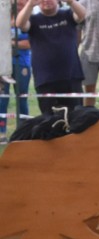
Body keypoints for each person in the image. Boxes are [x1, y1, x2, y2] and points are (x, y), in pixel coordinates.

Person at [16, 0, 86, 115]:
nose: (46, 1)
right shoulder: (33, 20)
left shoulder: (68, 15)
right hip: (45, 80)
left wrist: (71, 2)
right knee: (49, 120)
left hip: (71, 77)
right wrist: (29, 4)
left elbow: (83, 15)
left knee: (76, 117)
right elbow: (20, 24)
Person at [0, 0, 32, 143]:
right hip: (4, 66)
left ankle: (23, 131)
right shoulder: (3, 18)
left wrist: (8, 41)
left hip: (22, 64)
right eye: (17, 1)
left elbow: (28, 44)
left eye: (23, 1)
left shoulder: (28, 19)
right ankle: (1, 133)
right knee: (2, 100)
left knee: (22, 99)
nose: (20, 3)